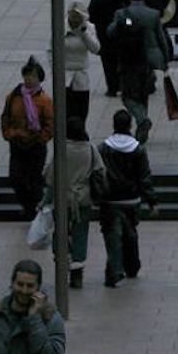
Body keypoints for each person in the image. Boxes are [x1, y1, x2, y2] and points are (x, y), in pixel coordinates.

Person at [98, 109, 158, 288]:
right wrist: (152, 200)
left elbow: (99, 174)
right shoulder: (138, 149)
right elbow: (144, 177)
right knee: (130, 232)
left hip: (110, 200)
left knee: (112, 235)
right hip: (132, 199)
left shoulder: (103, 148)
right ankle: (132, 265)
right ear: (130, 125)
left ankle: (114, 270)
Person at [42, 117, 104, 290]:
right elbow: (100, 170)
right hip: (82, 198)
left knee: (60, 231)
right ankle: (77, 270)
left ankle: (62, 261)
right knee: (80, 233)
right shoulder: (90, 149)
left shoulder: (62, 149)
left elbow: (50, 177)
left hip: (62, 198)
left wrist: (45, 200)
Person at [109, 0, 169, 146]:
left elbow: (111, 32)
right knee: (144, 94)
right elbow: (161, 38)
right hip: (147, 60)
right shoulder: (153, 14)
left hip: (128, 60)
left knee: (128, 96)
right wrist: (165, 59)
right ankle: (143, 129)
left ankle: (142, 119)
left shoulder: (121, 13)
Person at [1, 57, 54, 220]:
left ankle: (34, 209)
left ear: (39, 78)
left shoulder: (44, 100)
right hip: (17, 144)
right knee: (16, 178)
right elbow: (6, 117)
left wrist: (42, 138)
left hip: (35, 145)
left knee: (35, 179)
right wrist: (9, 134)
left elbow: (50, 123)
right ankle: (27, 205)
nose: (29, 79)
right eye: (27, 76)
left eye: (32, 76)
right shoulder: (14, 97)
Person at [88, 0, 129, 97]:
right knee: (123, 61)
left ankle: (112, 88)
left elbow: (92, 17)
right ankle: (124, 86)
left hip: (104, 35)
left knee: (108, 63)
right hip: (123, 34)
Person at [62, 4, 100, 123]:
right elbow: (51, 50)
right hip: (65, 73)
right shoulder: (60, 26)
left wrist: (84, 34)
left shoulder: (89, 28)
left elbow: (95, 48)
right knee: (66, 109)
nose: (75, 21)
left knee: (81, 109)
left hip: (81, 73)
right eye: (73, 17)